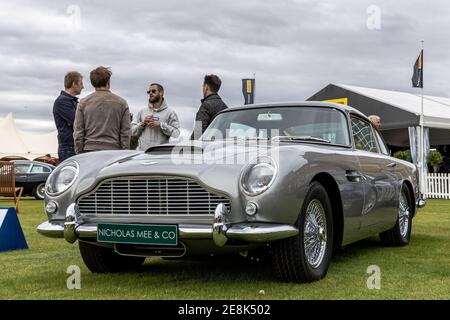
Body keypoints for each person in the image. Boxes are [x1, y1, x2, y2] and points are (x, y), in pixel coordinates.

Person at [73, 66, 131, 153]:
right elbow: (125, 133)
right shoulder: (122, 103)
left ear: (93, 83)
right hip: (113, 150)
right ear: (108, 81)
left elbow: (78, 132)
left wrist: (79, 152)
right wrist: (124, 152)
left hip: (89, 150)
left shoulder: (83, 103)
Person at [131, 83, 180, 151]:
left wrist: (161, 125)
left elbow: (176, 134)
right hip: (142, 154)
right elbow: (132, 131)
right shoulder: (142, 111)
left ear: (161, 93)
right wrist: (143, 123)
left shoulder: (170, 112)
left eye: (153, 91)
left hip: (160, 154)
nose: (150, 93)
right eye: (149, 92)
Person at [53, 71, 84, 162]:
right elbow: (78, 121)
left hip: (72, 146)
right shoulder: (62, 102)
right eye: (81, 83)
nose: (83, 86)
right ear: (74, 84)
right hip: (69, 147)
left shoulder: (72, 101)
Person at [190, 74, 228, 139]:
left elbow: (198, 133)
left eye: (203, 86)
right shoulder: (225, 108)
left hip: (207, 147)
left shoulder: (206, 105)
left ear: (206, 87)